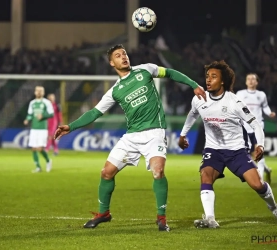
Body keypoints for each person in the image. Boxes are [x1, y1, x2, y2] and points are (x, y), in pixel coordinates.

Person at [54, 44, 206, 232]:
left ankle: (161, 218)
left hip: (154, 132)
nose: (123, 57)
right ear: (112, 63)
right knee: (106, 173)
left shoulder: (145, 69)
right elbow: (94, 112)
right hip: (132, 136)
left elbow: (170, 73)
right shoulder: (115, 90)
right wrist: (71, 126)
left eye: (124, 54)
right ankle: (104, 213)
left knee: (158, 172)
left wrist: (194, 85)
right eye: (118, 55)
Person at [178, 60, 277, 228]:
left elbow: (255, 124)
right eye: (207, 76)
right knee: (205, 175)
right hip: (213, 149)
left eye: (213, 76)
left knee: (257, 184)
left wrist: (260, 145)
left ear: (222, 81)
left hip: (236, 151)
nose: (208, 80)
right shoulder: (199, 98)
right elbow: (192, 114)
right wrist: (183, 134)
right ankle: (210, 219)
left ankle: (275, 208)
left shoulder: (234, 103)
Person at [236, 74, 276, 184]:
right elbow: (235, 106)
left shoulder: (261, 95)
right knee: (248, 155)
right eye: (248, 79)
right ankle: (267, 170)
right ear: (245, 82)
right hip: (244, 127)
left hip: (258, 127)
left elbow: (265, 107)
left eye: (253, 79)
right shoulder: (240, 94)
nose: (250, 81)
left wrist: (269, 113)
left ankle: (260, 180)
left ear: (257, 82)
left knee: (259, 152)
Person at [24, 86, 54, 173]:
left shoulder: (47, 102)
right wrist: (27, 119)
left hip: (42, 128)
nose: (39, 92)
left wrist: (43, 116)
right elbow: (30, 114)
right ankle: (38, 167)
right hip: (34, 128)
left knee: (40, 148)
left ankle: (48, 161)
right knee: (33, 148)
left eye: (41, 91)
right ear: (35, 92)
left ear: (43, 93)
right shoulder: (32, 103)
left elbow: (51, 114)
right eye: (37, 91)